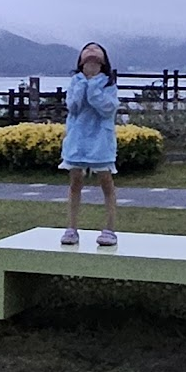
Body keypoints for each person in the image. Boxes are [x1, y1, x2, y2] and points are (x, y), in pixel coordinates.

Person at [59, 41, 121, 247]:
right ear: (80, 60)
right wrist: (83, 84)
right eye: (87, 49)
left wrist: (93, 86)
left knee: (106, 182)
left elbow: (107, 108)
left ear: (103, 60)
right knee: (75, 182)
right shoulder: (75, 81)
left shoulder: (109, 84)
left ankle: (109, 229)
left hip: (100, 139)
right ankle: (71, 228)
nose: (92, 51)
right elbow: (73, 106)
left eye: (96, 49)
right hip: (78, 139)